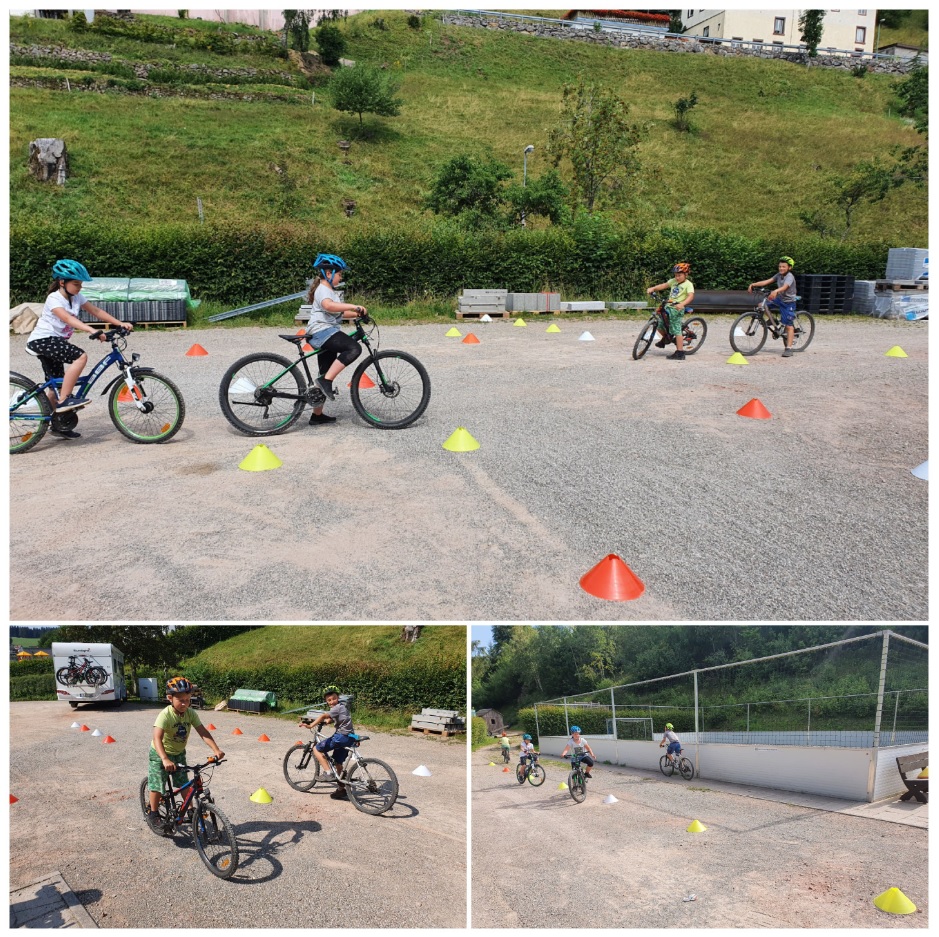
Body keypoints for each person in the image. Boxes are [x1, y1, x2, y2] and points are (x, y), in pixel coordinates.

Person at [26, 260, 135, 435]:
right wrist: (93, 331)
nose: (79, 287)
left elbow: (96, 311)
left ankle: (58, 424)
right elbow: (69, 319)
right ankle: (65, 401)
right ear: (62, 282)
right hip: (44, 340)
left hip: (55, 342)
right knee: (80, 356)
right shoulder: (54, 298)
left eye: (81, 284)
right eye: (76, 284)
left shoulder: (76, 297)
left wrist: (120, 323)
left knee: (57, 386)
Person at [146, 676, 224, 833]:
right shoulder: (165, 715)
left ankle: (190, 810)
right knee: (157, 783)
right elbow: (157, 737)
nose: (184, 703)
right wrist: (165, 758)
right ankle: (153, 814)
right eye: (180, 700)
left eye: (187, 699)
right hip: (160, 753)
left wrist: (216, 750)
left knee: (183, 783)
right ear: (170, 698)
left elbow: (203, 732)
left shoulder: (190, 713)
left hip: (179, 753)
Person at [304, 253, 368, 425]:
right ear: (329, 273)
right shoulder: (323, 289)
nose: (341, 277)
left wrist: (357, 313)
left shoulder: (330, 291)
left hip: (326, 332)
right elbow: (329, 306)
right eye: (339, 274)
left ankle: (317, 415)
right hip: (321, 332)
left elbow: (338, 312)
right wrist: (354, 306)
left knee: (325, 371)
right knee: (354, 348)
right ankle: (325, 382)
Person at [300, 685, 354, 800]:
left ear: (338, 698)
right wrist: (326, 722)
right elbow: (329, 719)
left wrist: (310, 725)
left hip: (341, 737)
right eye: (329, 700)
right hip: (349, 738)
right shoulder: (341, 708)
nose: (332, 701)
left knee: (317, 749)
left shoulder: (337, 707)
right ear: (326, 701)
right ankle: (341, 789)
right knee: (338, 763)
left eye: (334, 698)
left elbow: (324, 715)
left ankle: (328, 773)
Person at [748, 256, 797, 357]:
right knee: (761, 304)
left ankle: (789, 348)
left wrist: (776, 291)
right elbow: (767, 281)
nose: (781, 268)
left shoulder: (790, 277)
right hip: (780, 299)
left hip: (789, 302)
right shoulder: (779, 275)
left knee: (788, 325)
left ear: (789, 268)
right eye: (780, 266)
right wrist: (753, 284)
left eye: (784, 266)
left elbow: (785, 287)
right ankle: (773, 320)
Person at [646, 262, 695, 361]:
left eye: (679, 275)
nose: (677, 277)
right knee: (660, 324)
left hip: (677, 308)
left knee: (676, 328)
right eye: (676, 275)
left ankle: (680, 353)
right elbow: (664, 285)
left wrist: (682, 304)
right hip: (669, 306)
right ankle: (667, 338)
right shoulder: (673, 281)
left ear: (686, 275)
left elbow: (691, 296)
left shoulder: (688, 284)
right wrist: (653, 288)